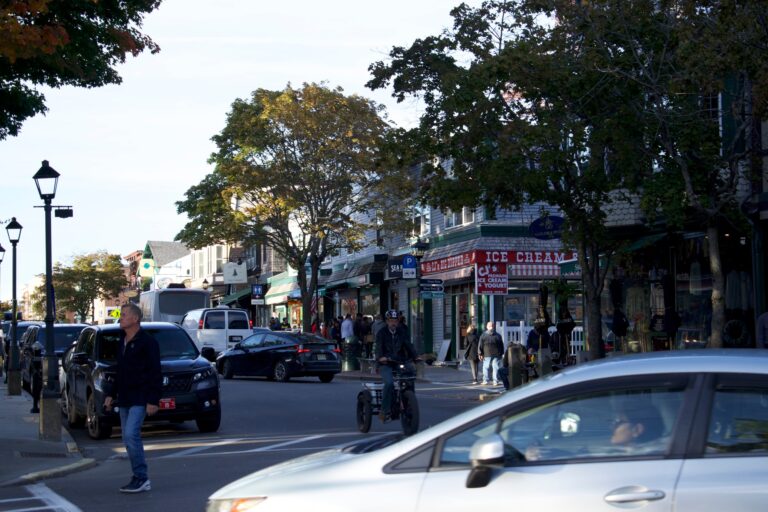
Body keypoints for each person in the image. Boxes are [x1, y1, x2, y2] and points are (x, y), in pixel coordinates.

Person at [104, 302, 161, 493]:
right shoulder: (122, 340)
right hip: (125, 397)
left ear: (135, 319)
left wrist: (153, 400)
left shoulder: (148, 342)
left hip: (141, 396)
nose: (120, 317)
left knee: (131, 435)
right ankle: (138, 476)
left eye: (124, 314)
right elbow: (119, 370)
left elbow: (155, 372)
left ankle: (141, 477)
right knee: (128, 440)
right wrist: (111, 394)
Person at [375, 309, 418, 422]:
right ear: (387, 321)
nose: (393, 323)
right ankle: (384, 411)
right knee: (389, 383)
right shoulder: (381, 333)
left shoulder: (401, 332)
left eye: (395, 320)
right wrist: (381, 357)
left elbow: (409, 345)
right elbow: (378, 347)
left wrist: (416, 356)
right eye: (391, 320)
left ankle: (409, 403)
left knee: (410, 378)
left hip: (399, 362)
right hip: (386, 363)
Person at [479, 321, 504, 386]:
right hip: (496, 354)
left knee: (485, 367)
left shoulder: (483, 335)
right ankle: (495, 381)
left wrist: (480, 353)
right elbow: (501, 345)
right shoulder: (498, 335)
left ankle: (485, 380)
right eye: (491, 326)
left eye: (491, 326)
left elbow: (480, 345)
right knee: (495, 367)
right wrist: (501, 353)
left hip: (487, 353)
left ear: (487, 327)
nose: (491, 327)